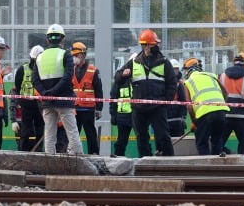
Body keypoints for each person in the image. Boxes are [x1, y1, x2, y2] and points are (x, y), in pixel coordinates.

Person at [114, 29, 177, 157]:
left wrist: (166, 101)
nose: (157, 46)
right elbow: (118, 78)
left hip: (158, 107)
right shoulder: (134, 62)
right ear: (146, 46)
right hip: (139, 107)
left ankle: (169, 162)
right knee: (141, 137)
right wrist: (123, 75)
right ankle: (145, 162)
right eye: (154, 44)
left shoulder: (164, 62)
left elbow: (172, 84)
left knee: (163, 136)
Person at [31, 24, 83, 155]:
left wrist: (45, 93)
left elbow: (35, 80)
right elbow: (68, 77)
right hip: (63, 100)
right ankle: (77, 161)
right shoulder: (65, 55)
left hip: (47, 102)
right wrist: (54, 92)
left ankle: (49, 160)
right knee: (72, 132)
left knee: (49, 133)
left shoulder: (40, 57)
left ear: (47, 40)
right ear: (62, 39)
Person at [182, 57, 229, 155]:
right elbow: (226, 93)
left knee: (202, 143)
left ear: (187, 71)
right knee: (217, 141)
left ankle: (206, 168)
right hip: (221, 111)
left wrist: (194, 120)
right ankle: (219, 167)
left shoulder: (188, 82)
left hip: (204, 113)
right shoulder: (212, 75)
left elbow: (189, 106)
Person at [219, 52, 244, 155]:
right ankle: (242, 168)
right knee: (243, 145)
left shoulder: (222, 76)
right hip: (242, 118)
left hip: (225, 115)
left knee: (218, 143)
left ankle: (218, 166)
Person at [71, 41, 103, 154]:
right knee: (74, 134)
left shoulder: (93, 70)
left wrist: (99, 108)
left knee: (90, 134)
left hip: (88, 109)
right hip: (74, 108)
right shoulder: (71, 70)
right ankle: (73, 155)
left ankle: (94, 154)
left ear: (82, 55)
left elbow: (99, 90)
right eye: (73, 55)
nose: (74, 57)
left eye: (76, 55)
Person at [15, 45, 45, 152]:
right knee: (26, 131)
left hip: (40, 105)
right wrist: (21, 101)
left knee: (40, 130)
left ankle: (38, 151)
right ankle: (24, 151)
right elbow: (18, 86)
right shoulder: (22, 69)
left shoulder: (44, 70)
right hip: (26, 105)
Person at [167, 58, 187, 137]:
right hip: (166, 116)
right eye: (174, 69)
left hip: (177, 117)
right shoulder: (164, 81)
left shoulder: (179, 84)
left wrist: (183, 117)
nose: (175, 71)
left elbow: (183, 101)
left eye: (177, 69)